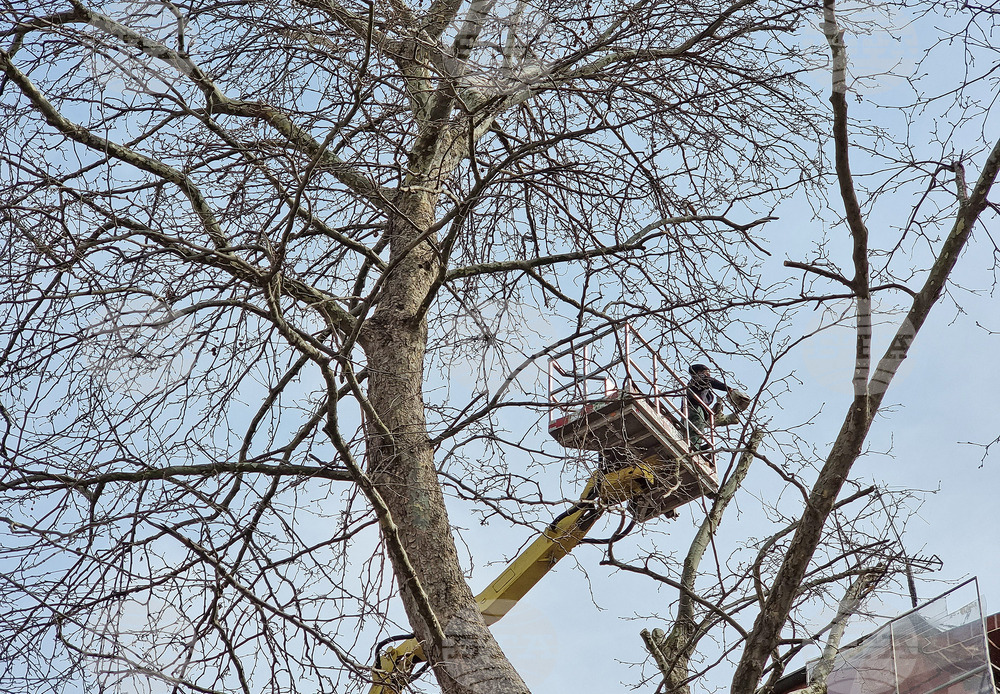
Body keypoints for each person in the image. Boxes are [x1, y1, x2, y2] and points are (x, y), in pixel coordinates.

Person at [684, 363, 731, 453]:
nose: (708, 374)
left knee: (690, 427)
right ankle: (694, 447)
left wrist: (713, 411)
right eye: (706, 372)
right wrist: (728, 388)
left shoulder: (697, 384)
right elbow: (709, 380)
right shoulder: (698, 379)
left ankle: (695, 445)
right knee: (696, 426)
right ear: (699, 372)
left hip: (690, 408)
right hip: (694, 408)